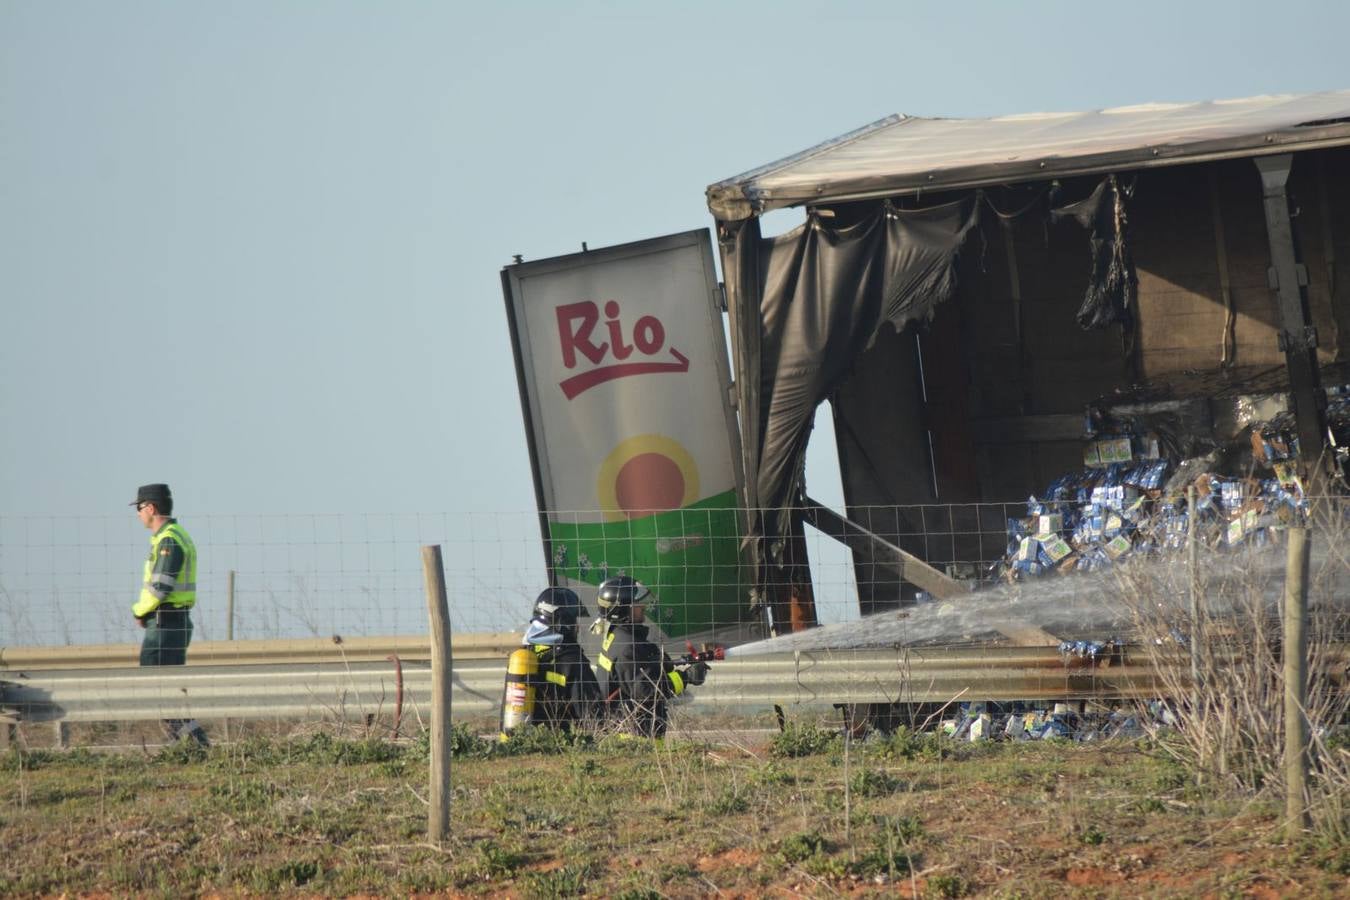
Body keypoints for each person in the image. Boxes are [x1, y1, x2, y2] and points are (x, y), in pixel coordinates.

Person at [130, 483, 208, 746]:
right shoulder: (178, 535)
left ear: (151, 508)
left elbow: (160, 586)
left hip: (165, 623)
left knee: (155, 687)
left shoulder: (168, 540)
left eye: (139, 508)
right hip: (175, 620)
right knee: (170, 690)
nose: (138, 514)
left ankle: (186, 744)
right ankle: (192, 743)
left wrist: (139, 610)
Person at [593, 575, 708, 738]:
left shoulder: (617, 636)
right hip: (635, 740)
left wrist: (656, 661)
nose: (643, 606)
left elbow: (629, 675)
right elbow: (647, 692)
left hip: (627, 730)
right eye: (636, 604)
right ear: (622, 609)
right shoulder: (629, 647)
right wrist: (686, 677)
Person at [501, 587, 603, 736]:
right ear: (564, 622)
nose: (578, 627)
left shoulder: (524, 656)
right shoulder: (572, 661)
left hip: (518, 744)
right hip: (558, 745)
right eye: (574, 620)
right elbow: (593, 716)